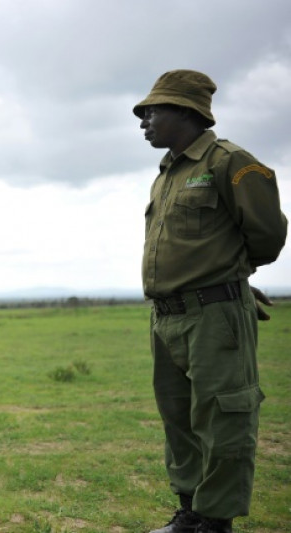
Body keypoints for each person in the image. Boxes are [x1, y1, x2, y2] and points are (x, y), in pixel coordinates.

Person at [133, 69, 287, 533]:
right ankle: (190, 514)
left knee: (224, 418)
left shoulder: (229, 161)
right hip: (168, 318)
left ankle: (215, 522)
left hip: (213, 317)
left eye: (152, 112)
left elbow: (268, 236)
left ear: (185, 111)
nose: (144, 123)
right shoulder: (167, 175)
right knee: (179, 421)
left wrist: (231, 281)